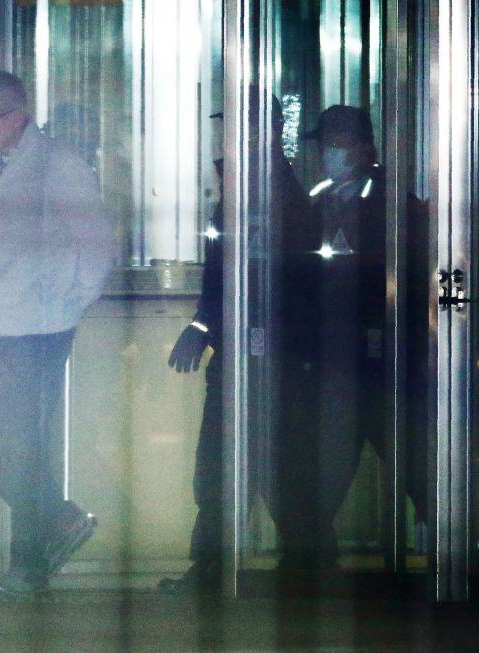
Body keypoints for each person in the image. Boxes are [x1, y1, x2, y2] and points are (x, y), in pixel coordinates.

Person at [0, 71, 116, 597]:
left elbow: (96, 249)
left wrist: (63, 308)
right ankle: (58, 524)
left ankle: (29, 569)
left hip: (38, 331)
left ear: (17, 115)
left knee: (16, 443)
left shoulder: (61, 167)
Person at [158, 92, 310, 594]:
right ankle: (217, 568)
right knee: (227, 466)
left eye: (234, 125)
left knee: (269, 467)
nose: (225, 135)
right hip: (246, 350)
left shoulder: (273, 192)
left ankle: (301, 566)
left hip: (271, 354)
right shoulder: (243, 186)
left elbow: (268, 279)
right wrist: (204, 326)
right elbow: (222, 276)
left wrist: (215, 328)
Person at [274, 105, 427, 568]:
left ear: (363, 148)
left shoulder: (391, 203)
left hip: (382, 360)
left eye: (336, 144)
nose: (327, 154)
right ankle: (308, 563)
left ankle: (456, 554)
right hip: (338, 365)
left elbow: (405, 282)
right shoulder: (321, 199)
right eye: (324, 145)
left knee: (418, 468)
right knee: (322, 474)